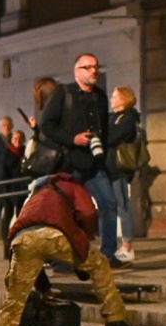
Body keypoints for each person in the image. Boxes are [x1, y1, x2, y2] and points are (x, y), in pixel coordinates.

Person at [0, 174, 137, 326]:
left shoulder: (35, 196)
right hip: (56, 235)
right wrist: (85, 240)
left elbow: (31, 253)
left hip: (23, 239)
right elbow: (88, 213)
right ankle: (116, 320)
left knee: (13, 302)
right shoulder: (71, 185)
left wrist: (44, 289)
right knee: (99, 264)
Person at [39, 53, 128, 269]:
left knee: (109, 203)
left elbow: (104, 129)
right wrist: (72, 138)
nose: (93, 71)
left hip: (93, 164)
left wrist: (102, 148)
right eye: (88, 67)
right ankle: (64, 259)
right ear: (76, 71)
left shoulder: (100, 96)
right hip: (69, 162)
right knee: (67, 212)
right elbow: (47, 125)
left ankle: (107, 254)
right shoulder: (64, 93)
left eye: (96, 67)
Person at [107, 85, 140, 264]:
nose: (112, 99)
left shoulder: (129, 118)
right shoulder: (113, 117)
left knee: (123, 206)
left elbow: (112, 138)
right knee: (112, 206)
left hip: (119, 167)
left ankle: (127, 246)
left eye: (115, 96)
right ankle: (115, 245)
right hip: (109, 167)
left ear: (124, 99)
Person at [0, 117, 22, 240]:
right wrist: (10, 154)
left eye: (8, 125)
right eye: (3, 125)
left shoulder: (16, 139)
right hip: (0, 177)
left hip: (13, 179)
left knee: (9, 209)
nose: (6, 127)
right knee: (1, 200)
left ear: (11, 125)